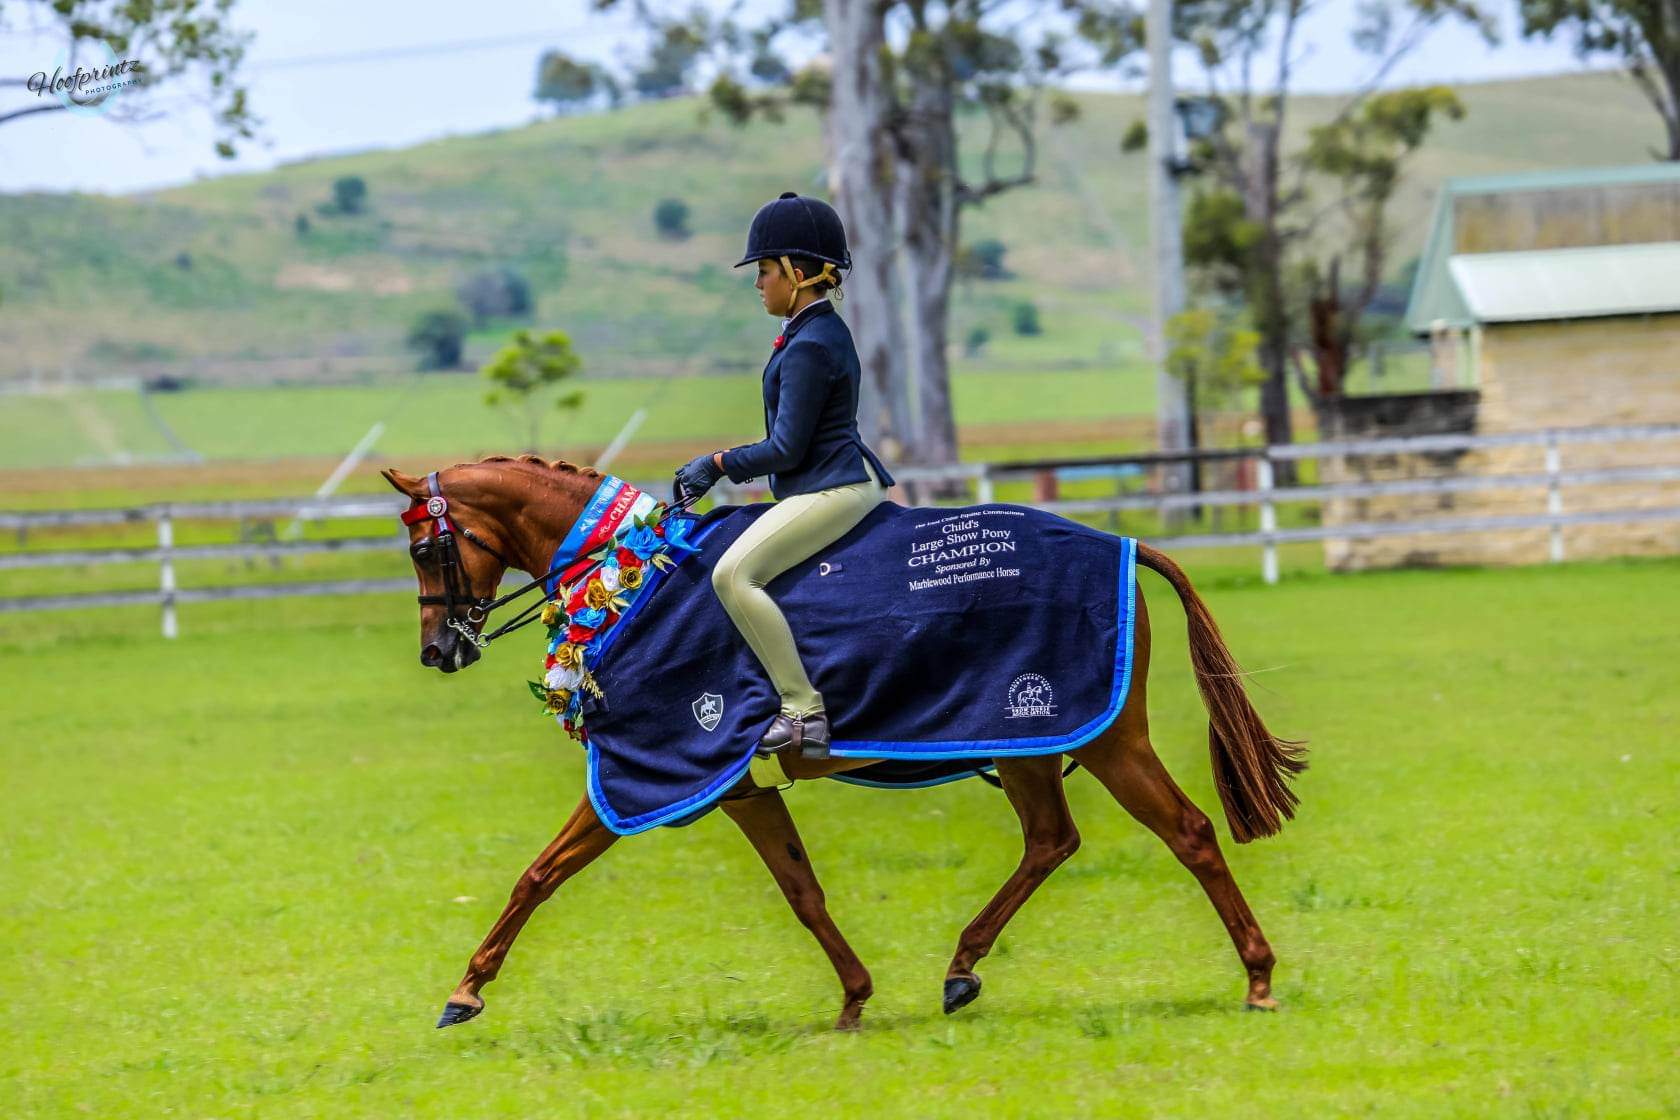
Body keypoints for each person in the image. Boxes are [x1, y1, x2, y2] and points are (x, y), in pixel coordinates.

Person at [673, 191, 896, 760]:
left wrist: (714, 465)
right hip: (828, 479)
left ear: (797, 274)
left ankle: (802, 710)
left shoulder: (811, 343)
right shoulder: (811, 332)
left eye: (766, 271)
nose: (759, 284)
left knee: (734, 576)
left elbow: (785, 449)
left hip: (833, 486)